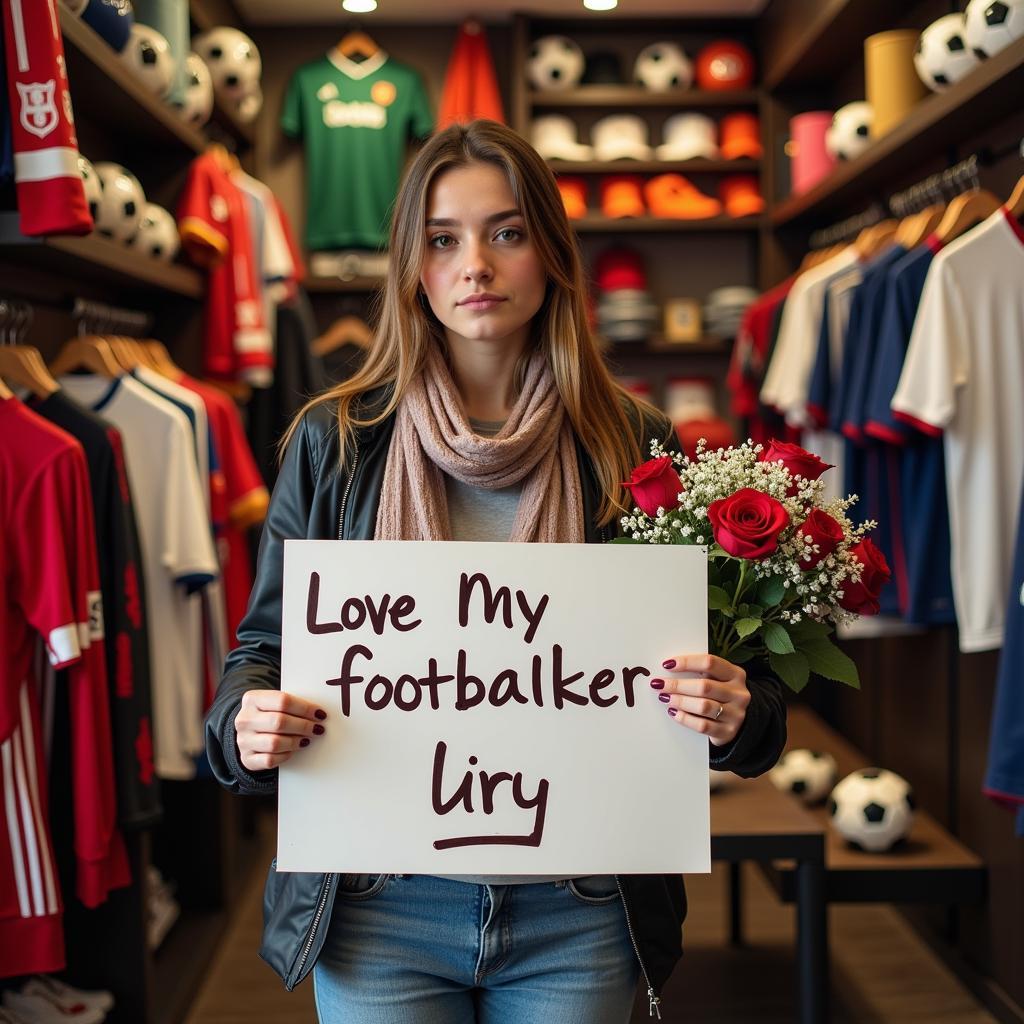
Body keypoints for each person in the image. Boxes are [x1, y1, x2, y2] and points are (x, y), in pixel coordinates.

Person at [205, 119, 786, 1024]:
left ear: (551, 252)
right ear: (414, 266)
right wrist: (242, 729)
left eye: (506, 232)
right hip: (378, 909)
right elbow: (262, 652)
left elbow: (720, 676)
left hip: (580, 910)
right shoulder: (337, 440)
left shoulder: (635, 444)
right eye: (443, 239)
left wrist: (737, 715)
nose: (474, 264)